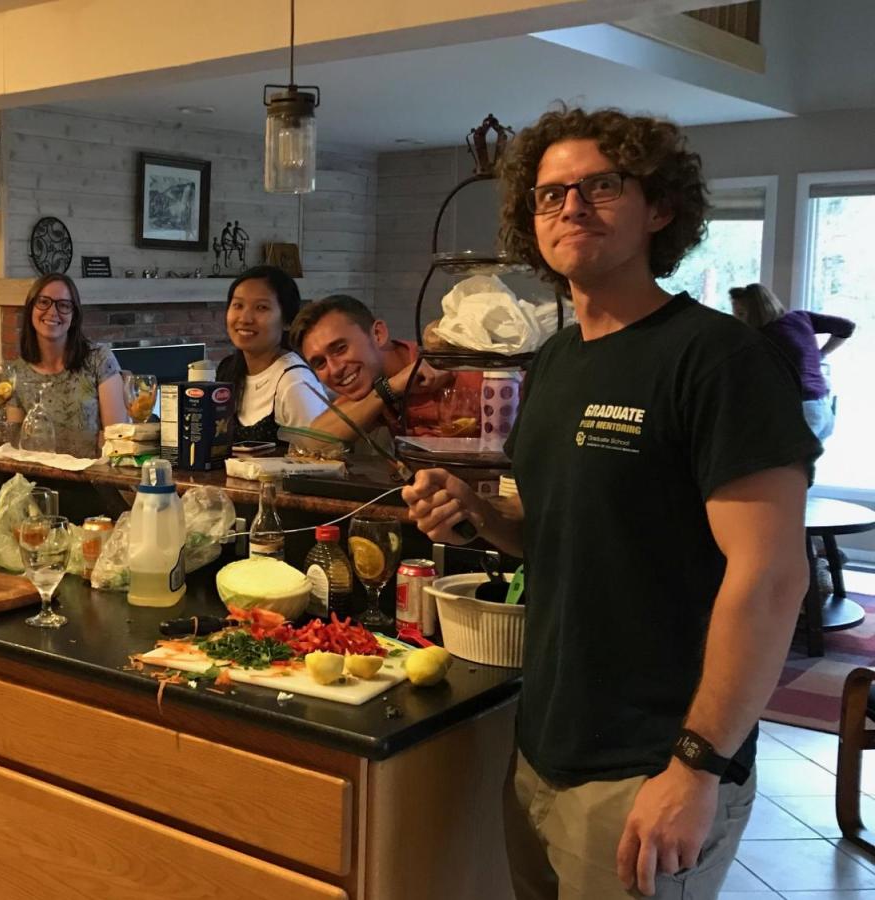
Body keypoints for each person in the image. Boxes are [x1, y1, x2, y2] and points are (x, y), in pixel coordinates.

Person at [402, 107, 818, 899]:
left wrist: (696, 766)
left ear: (659, 207)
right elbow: (567, 534)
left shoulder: (718, 359)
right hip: (546, 749)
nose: (572, 206)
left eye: (602, 185)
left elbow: (771, 579)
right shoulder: (555, 361)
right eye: (551, 194)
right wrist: (482, 516)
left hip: (652, 764)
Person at [290, 293, 482, 443]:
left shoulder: (461, 369)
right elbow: (315, 440)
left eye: (341, 349)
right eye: (320, 363)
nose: (335, 369)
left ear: (378, 334)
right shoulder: (371, 384)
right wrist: (390, 389)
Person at [213, 265, 331, 445]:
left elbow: (319, 456)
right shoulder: (228, 369)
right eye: (238, 305)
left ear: (287, 321)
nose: (245, 318)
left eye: (261, 308)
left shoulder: (295, 382)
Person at [4, 273, 128, 441]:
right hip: (35, 466)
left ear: (74, 315)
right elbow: (15, 445)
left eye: (63, 305)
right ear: (31, 308)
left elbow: (118, 439)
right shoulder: (16, 373)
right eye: (43, 302)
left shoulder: (99, 359)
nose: (52, 311)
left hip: (92, 467)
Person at [729, 282, 855, 441]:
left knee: (778, 463)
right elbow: (847, 327)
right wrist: (821, 354)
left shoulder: (759, 337)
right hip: (822, 408)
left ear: (756, 311)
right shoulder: (800, 317)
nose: (736, 319)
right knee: (802, 465)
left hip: (800, 412)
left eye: (740, 313)